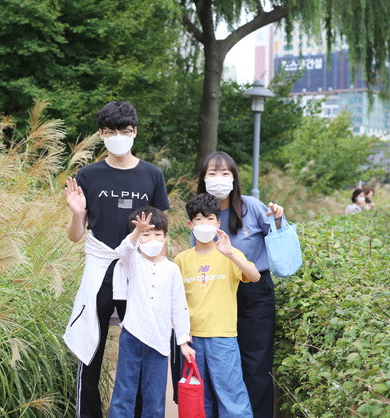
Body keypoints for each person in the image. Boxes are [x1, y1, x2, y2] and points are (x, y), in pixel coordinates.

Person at [63, 101, 170, 418]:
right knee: (90, 350)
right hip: (100, 271)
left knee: (139, 348)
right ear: (101, 134)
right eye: (110, 132)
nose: (118, 137)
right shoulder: (88, 175)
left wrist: (161, 277)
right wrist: (77, 213)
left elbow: (160, 233)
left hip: (137, 271)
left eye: (124, 131)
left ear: (134, 132)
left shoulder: (152, 175)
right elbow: (75, 236)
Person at [196, 151, 284, 418]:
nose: (219, 178)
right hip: (218, 292)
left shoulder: (251, 206)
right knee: (221, 364)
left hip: (254, 292)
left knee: (256, 364)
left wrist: (278, 218)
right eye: (212, 173)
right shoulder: (200, 214)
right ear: (203, 179)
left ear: (234, 178)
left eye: (225, 173)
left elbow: (279, 238)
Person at [174, 192, 262, 418]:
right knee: (198, 397)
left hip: (223, 337)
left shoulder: (230, 255)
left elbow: (255, 276)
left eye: (210, 218)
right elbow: (174, 301)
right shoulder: (181, 260)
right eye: (199, 219)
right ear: (190, 225)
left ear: (218, 223)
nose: (205, 224)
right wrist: (180, 333)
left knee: (231, 395)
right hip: (191, 339)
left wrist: (231, 253)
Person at [109, 207, 194, 418]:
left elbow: (179, 306)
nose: (153, 239)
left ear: (166, 236)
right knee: (124, 393)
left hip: (160, 341)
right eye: (146, 234)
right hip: (132, 334)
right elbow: (124, 250)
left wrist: (183, 341)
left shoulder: (172, 269)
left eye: (157, 234)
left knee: (155, 398)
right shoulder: (134, 261)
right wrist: (137, 231)